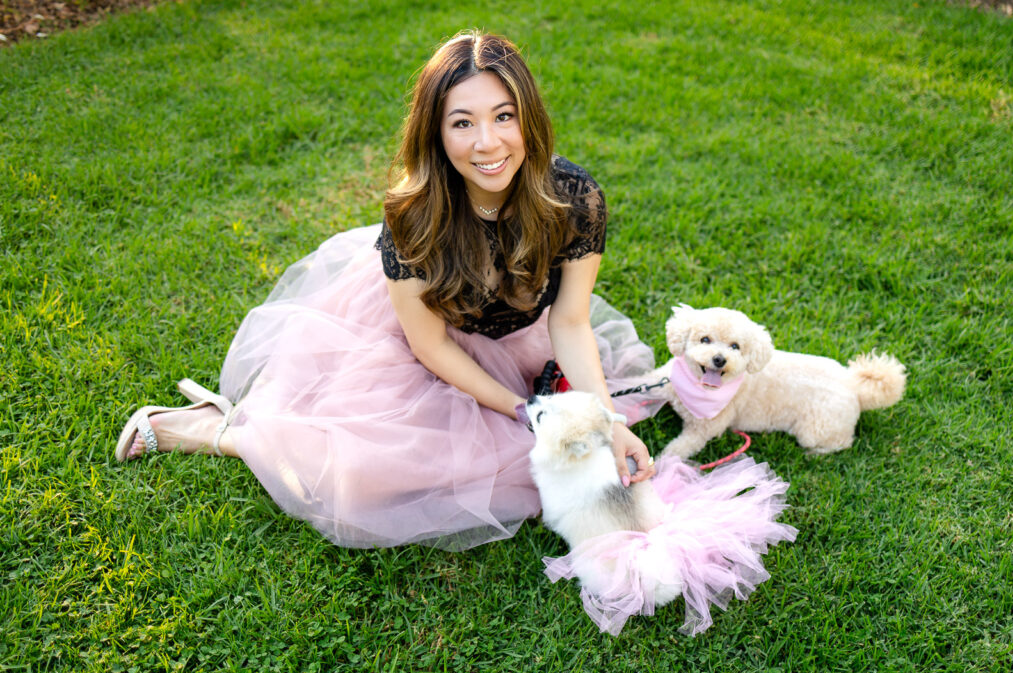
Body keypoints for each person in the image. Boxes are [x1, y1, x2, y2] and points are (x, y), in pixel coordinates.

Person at [114, 30, 666, 550]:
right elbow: (432, 348)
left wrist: (606, 420)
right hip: (415, 344)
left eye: (504, 116)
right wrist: (523, 411)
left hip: (518, 339)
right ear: (436, 131)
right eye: (463, 123)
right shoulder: (414, 217)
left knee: (572, 451)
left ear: (530, 119)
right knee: (365, 475)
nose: (488, 142)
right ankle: (217, 432)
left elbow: (568, 323)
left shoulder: (574, 198)